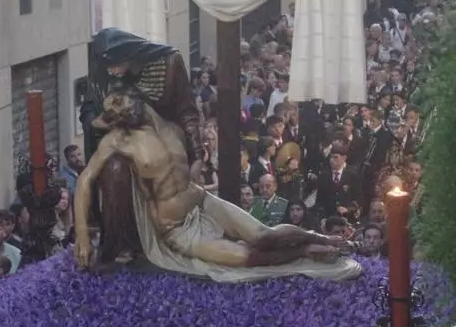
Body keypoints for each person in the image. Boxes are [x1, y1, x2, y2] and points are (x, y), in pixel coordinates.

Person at [73, 88, 361, 282]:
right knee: (246, 258)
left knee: (263, 235)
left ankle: (324, 239)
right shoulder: (118, 141)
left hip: (201, 200)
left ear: (135, 97)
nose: (119, 112)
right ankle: (304, 252)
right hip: (177, 228)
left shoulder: (172, 128)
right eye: (113, 112)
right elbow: (85, 181)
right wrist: (83, 234)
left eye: (119, 102)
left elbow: (190, 168)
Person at [78, 28, 206, 269]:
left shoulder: (169, 63)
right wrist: (99, 121)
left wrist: (197, 155)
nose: (110, 71)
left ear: (129, 54)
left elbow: (187, 110)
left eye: (114, 65)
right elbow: (89, 110)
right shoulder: (104, 75)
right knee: (115, 169)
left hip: (164, 143)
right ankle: (123, 245)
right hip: (126, 144)